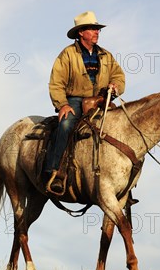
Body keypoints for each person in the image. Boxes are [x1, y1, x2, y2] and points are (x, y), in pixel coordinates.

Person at [44, 11, 126, 194]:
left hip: (100, 100)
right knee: (65, 125)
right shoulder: (67, 54)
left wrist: (115, 86)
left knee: (121, 128)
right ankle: (55, 171)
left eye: (97, 29)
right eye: (92, 28)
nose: (97, 32)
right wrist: (62, 104)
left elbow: (119, 76)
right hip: (74, 99)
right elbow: (56, 82)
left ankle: (122, 183)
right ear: (81, 32)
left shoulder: (106, 55)